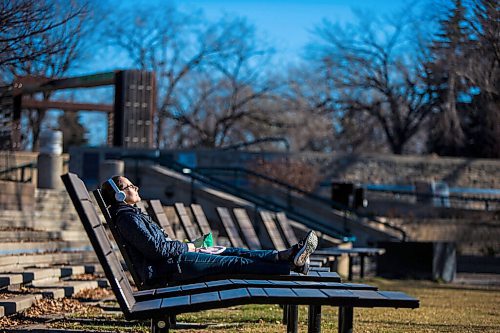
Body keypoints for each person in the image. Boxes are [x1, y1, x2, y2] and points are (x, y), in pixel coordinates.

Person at [100, 176, 318, 286]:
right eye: (129, 187)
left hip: (175, 261)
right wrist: (189, 246)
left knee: (232, 252)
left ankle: (286, 256)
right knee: (235, 264)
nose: (135, 188)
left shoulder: (132, 214)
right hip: (170, 269)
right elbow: (157, 250)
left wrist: (190, 246)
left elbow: (160, 246)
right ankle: (290, 266)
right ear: (119, 195)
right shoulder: (127, 219)